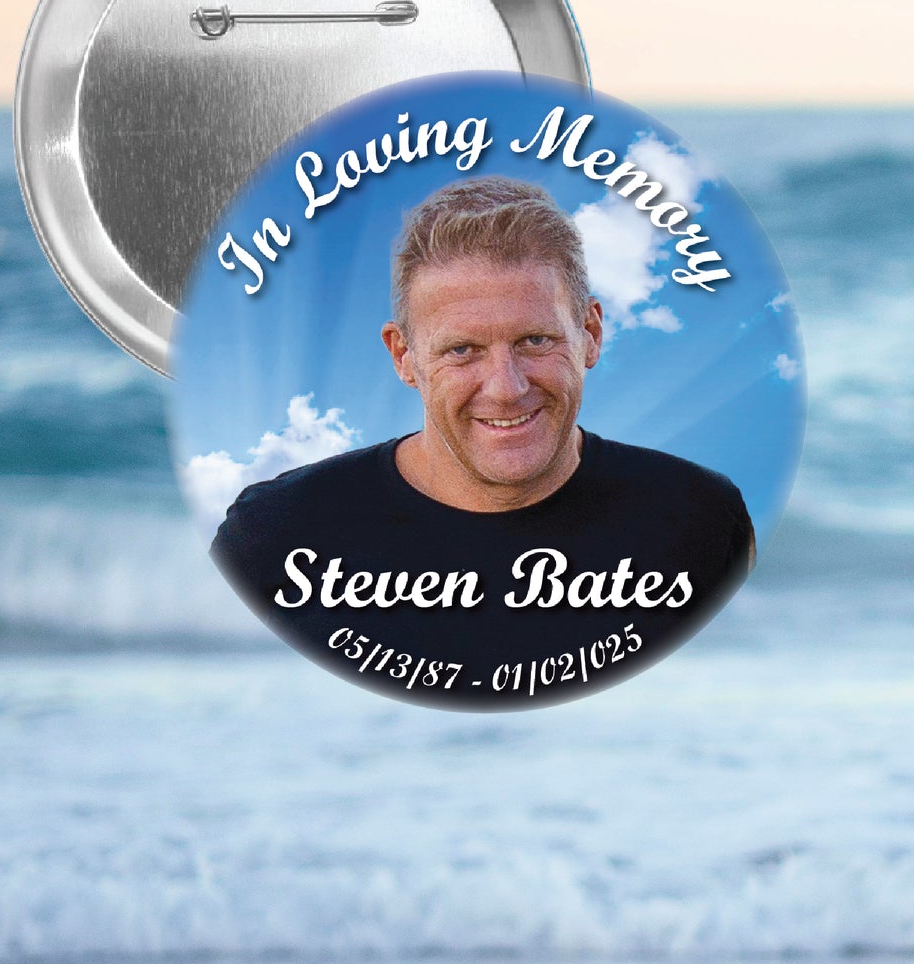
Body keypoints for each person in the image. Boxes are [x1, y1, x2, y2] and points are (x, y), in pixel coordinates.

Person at [209, 175, 752, 708]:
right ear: (404, 356)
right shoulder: (277, 539)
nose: (507, 388)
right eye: (463, 350)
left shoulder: (700, 521)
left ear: (590, 332)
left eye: (535, 340)